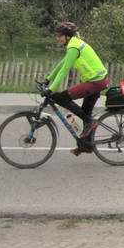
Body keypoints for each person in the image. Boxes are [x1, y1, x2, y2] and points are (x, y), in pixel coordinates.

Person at [44, 22, 110, 156]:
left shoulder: (74, 47)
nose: (57, 38)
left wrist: (51, 90)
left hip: (96, 82)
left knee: (61, 97)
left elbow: (64, 70)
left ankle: (91, 124)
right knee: (85, 114)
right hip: (97, 80)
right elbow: (62, 64)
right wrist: (48, 79)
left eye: (59, 35)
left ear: (67, 36)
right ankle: (86, 146)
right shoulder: (73, 45)